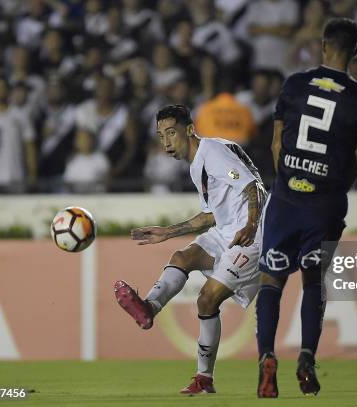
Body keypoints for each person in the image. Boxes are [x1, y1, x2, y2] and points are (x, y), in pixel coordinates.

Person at [255, 18, 357, 397]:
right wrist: (330, 189)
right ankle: (307, 356)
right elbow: (356, 162)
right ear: (354, 52)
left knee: (271, 280)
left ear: (323, 46)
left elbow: (277, 144)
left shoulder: (294, 85)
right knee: (313, 281)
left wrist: (290, 184)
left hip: (287, 197)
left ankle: (266, 358)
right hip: (325, 204)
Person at [114, 105, 267, 395]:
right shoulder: (198, 163)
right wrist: (168, 231)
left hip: (252, 235)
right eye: (161, 136)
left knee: (207, 300)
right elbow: (209, 215)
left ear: (189, 129)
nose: (166, 142)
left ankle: (204, 377)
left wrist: (251, 223)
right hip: (226, 230)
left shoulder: (212, 153)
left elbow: (253, 187)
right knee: (182, 257)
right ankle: (148, 308)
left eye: (171, 132)